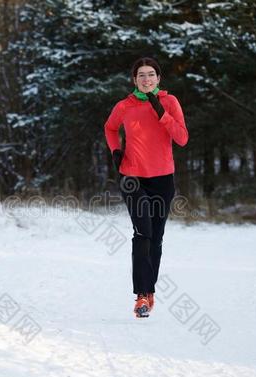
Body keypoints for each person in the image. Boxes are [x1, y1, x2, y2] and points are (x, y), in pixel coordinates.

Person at [104, 57, 189, 318]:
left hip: (163, 178)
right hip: (132, 178)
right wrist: (116, 151)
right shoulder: (124, 105)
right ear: (134, 80)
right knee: (142, 233)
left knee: (156, 237)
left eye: (151, 74)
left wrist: (161, 112)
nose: (146, 79)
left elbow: (182, 139)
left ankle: (149, 291)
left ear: (158, 78)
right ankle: (141, 295)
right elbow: (109, 128)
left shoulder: (170, 102)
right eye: (141, 75)